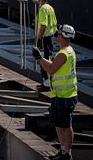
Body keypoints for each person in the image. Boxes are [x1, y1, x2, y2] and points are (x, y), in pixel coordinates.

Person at [33, 24, 78, 160]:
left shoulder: (64, 53)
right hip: (60, 95)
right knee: (59, 124)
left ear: (64, 36)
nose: (57, 35)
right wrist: (40, 57)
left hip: (66, 96)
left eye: (59, 33)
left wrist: (39, 58)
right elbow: (53, 66)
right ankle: (63, 149)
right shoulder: (67, 51)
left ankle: (67, 153)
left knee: (66, 125)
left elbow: (51, 69)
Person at [35, 0, 58, 91]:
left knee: (43, 60)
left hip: (44, 38)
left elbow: (43, 26)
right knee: (48, 59)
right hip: (50, 38)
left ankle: (46, 84)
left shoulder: (43, 9)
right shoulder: (50, 8)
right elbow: (54, 24)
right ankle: (48, 83)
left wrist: (39, 40)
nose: (37, 0)